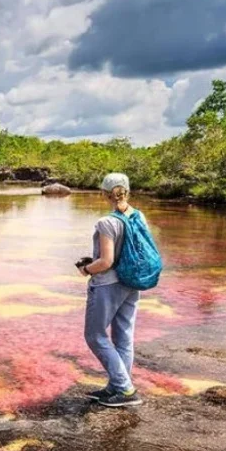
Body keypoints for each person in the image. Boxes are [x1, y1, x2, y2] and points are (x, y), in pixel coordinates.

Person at [78, 173, 144, 408]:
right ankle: (117, 387)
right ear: (127, 190)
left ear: (105, 194)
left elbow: (106, 262)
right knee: (123, 336)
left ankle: (125, 389)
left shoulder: (107, 222)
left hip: (107, 285)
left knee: (94, 335)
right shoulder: (138, 216)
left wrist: (87, 268)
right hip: (132, 282)